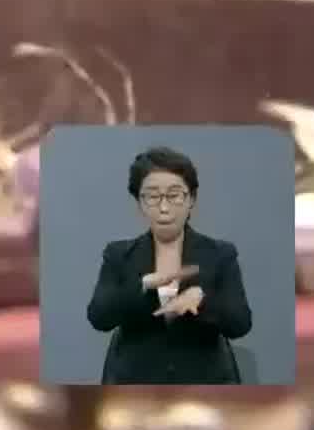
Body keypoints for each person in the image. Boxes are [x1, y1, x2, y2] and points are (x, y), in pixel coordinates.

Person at [85, 145, 252, 384]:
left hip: (205, 382)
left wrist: (201, 302)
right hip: (134, 383)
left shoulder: (220, 254)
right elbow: (99, 317)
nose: (164, 208)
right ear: (140, 202)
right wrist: (142, 286)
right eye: (153, 196)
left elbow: (240, 324)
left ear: (191, 199)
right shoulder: (119, 255)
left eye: (174, 196)